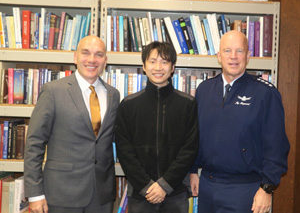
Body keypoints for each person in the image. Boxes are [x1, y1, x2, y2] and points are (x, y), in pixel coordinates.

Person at [190, 30, 290, 213]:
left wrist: (267, 188)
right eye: (227, 51)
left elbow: (276, 145)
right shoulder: (204, 90)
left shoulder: (265, 93)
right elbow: (195, 135)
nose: (233, 57)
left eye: (239, 51)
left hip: (246, 189)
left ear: (248, 56)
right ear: (219, 56)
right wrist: (192, 171)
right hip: (207, 186)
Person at [24, 35, 120, 213]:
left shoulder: (113, 95)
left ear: (105, 61)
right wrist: (35, 194)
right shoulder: (53, 91)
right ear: (75, 57)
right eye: (86, 53)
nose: (92, 59)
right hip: (62, 194)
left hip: (101, 196)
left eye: (99, 54)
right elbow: (34, 144)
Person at [115, 41, 198, 213]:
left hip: (175, 193)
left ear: (173, 67)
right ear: (144, 66)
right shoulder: (129, 105)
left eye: (164, 62)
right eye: (152, 61)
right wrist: (146, 186)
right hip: (141, 194)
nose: (158, 67)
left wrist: (164, 185)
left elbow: (189, 149)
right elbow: (125, 151)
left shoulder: (187, 104)